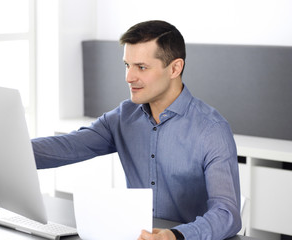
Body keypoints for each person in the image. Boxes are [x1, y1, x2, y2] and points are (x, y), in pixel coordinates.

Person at [32, 20, 241, 240]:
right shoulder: (124, 117)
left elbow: (227, 215)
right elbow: (68, 147)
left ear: (175, 68)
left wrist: (174, 236)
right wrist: (4, 151)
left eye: (141, 67)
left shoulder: (211, 130)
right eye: (127, 65)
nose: (129, 77)